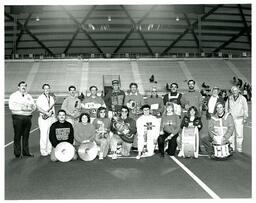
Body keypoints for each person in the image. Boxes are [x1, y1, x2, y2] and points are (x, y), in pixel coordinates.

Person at [9, 81, 36, 158]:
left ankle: (26, 152)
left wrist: (32, 107)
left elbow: (33, 106)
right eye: (22, 85)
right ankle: (17, 153)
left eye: (25, 86)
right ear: (18, 87)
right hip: (18, 117)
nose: (23, 87)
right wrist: (22, 108)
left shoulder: (29, 96)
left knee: (26, 136)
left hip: (28, 118)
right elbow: (11, 106)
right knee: (17, 135)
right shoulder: (13, 96)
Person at [225, 86, 248, 152]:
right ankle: (232, 148)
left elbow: (245, 108)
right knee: (231, 134)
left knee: (239, 134)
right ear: (232, 91)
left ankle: (239, 149)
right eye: (233, 90)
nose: (234, 91)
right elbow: (226, 108)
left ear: (238, 91)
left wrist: (245, 117)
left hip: (239, 119)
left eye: (236, 90)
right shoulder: (229, 98)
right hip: (231, 119)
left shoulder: (243, 98)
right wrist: (227, 116)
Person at [36, 83, 57, 156]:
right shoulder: (40, 98)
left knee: (50, 134)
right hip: (43, 118)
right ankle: (43, 150)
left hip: (51, 118)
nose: (47, 90)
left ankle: (49, 149)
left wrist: (54, 116)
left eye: (48, 88)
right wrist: (46, 113)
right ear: (43, 89)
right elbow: (38, 108)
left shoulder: (51, 98)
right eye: (45, 88)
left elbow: (53, 109)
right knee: (44, 134)